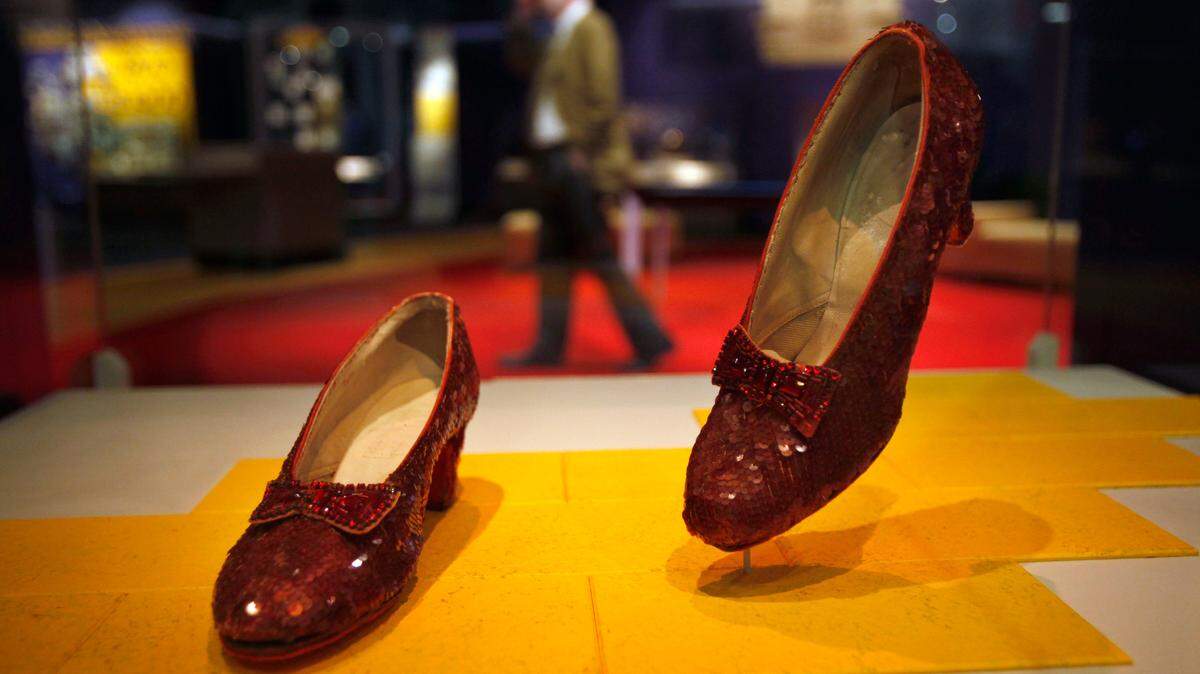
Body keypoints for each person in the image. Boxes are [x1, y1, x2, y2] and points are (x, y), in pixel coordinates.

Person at [504, 0, 674, 370]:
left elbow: (603, 97)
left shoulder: (591, 26)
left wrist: (581, 149)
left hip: (577, 163)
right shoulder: (561, 31)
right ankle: (550, 345)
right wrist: (521, 22)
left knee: (599, 255)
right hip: (555, 161)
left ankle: (649, 341)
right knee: (553, 257)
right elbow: (521, 64)